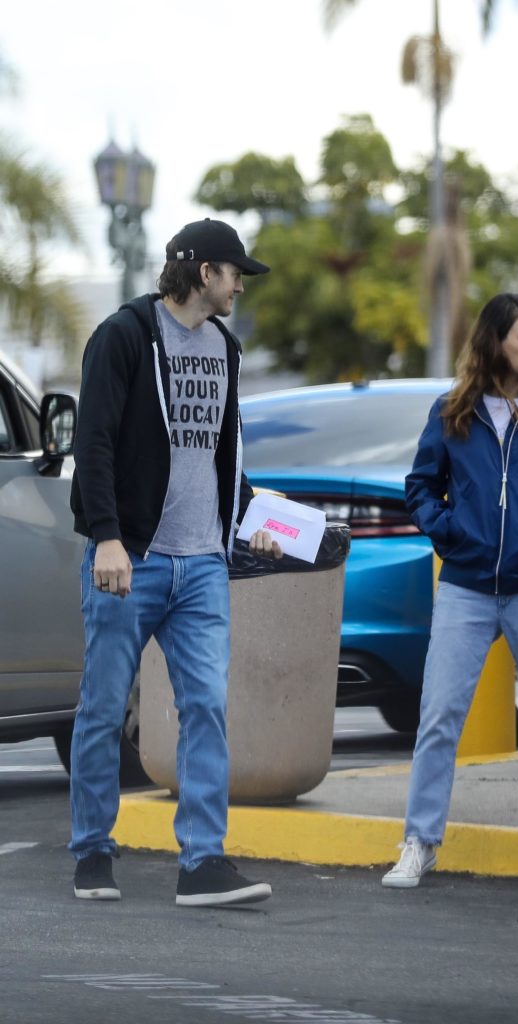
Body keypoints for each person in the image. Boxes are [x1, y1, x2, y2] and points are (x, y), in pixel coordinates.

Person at [69, 218, 283, 907]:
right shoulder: (125, 337)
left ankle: (202, 862)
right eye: (234, 274)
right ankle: (93, 853)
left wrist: (250, 517)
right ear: (202, 274)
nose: (239, 287)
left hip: (203, 566)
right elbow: (93, 441)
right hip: (132, 557)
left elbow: (218, 452)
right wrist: (106, 536)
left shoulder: (225, 346)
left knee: (207, 709)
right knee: (104, 710)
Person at [382, 292, 518, 889]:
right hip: (466, 590)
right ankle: (419, 843)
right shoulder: (455, 410)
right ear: (496, 340)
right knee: (438, 719)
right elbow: (421, 485)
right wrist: (450, 533)